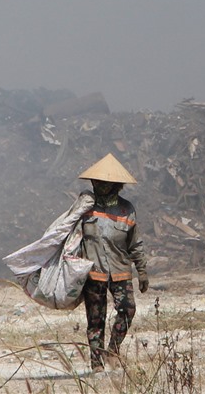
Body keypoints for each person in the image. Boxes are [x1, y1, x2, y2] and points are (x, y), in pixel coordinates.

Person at [77, 153, 149, 372]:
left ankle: (113, 350)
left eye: (104, 183)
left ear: (115, 185)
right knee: (95, 320)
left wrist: (142, 270)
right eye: (96, 182)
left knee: (128, 310)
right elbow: (66, 236)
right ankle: (97, 365)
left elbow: (135, 243)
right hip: (93, 273)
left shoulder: (127, 210)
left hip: (120, 271)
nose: (98, 185)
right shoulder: (84, 207)